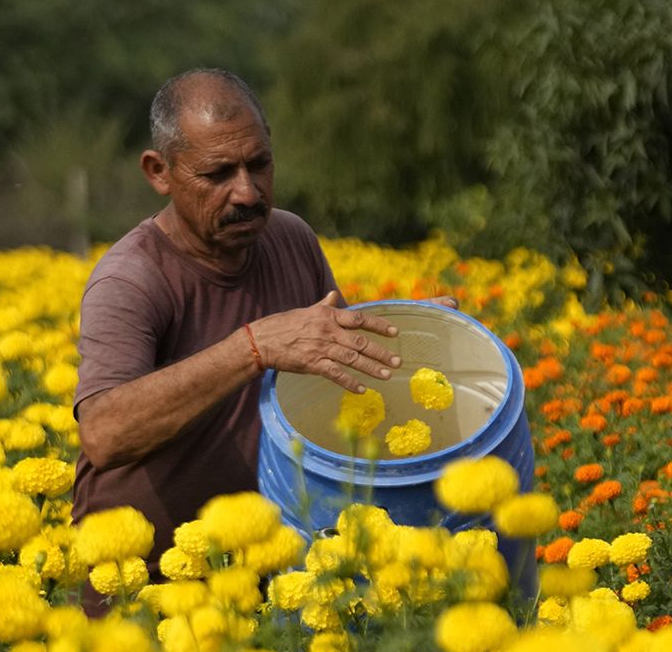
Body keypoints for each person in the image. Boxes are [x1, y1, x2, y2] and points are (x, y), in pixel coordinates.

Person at [73, 68, 439, 572]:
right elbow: (104, 434)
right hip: (144, 590)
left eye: (259, 165)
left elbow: (339, 367)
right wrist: (252, 348)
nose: (247, 193)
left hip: (266, 574)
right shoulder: (131, 280)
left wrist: (417, 332)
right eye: (218, 174)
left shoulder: (291, 240)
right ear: (159, 172)